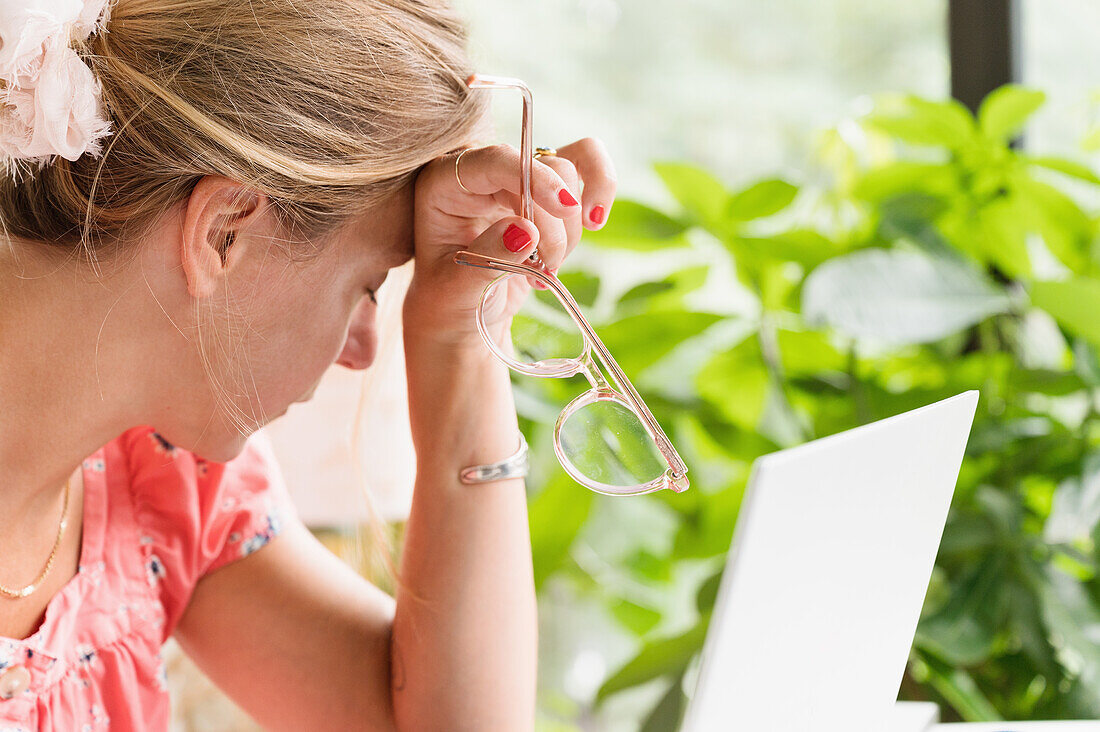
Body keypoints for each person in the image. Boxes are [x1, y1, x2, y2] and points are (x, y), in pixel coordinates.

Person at [0, 0, 616, 729]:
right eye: (366, 288)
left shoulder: (161, 480)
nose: (361, 350)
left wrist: (457, 331)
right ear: (225, 233)